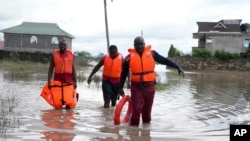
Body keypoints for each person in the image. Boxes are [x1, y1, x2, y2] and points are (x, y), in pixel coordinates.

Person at [118, 36, 185, 126]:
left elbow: (164, 60)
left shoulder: (152, 54)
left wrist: (177, 66)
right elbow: (123, 73)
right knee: (136, 109)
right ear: (134, 46)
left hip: (149, 86)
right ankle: (133, 133)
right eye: (137, 45)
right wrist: (120, 87)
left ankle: (146, 132)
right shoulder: (128, 58)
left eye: (141, 44)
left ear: (144, 44)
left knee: (147, 110)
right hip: (136, 87)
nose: (139, 46)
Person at [47, 39, 78, 109]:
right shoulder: (54, 56)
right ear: (59, 46)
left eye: (64, 45)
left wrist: (75, 81)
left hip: (69, 81)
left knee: (69, 104)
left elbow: (73, 69)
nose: (62, 46)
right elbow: (50, 69)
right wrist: (49, 82)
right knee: (57, 104)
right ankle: (57, 118)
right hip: (57, 80)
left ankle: (67, 119)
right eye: (61, 45)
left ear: (66, 46)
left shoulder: (71, 55)